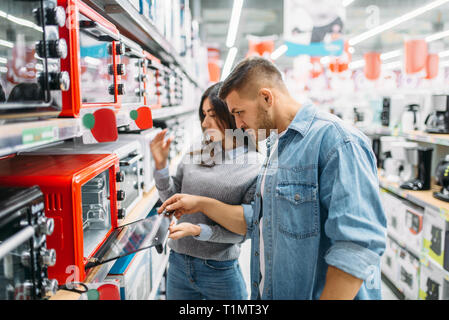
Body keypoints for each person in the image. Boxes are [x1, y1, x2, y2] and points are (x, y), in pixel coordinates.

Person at [158, 57, 387, 300]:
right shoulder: (277, 145)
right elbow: (257, 220)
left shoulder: (337, 141)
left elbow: (356, 246)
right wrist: (201, 205)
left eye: (239, 112)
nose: (237, 123)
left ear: (267, 98)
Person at [150, 82, 261, 300]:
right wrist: (161, 166)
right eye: (203, 114)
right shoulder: (196, 151)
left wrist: (199, 230)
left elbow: (246, 230)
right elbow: (171, 201)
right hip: (178, 263)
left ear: (229, 114)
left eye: (211, 114)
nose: (205, 122)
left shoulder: (254, 165)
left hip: (220, 269)